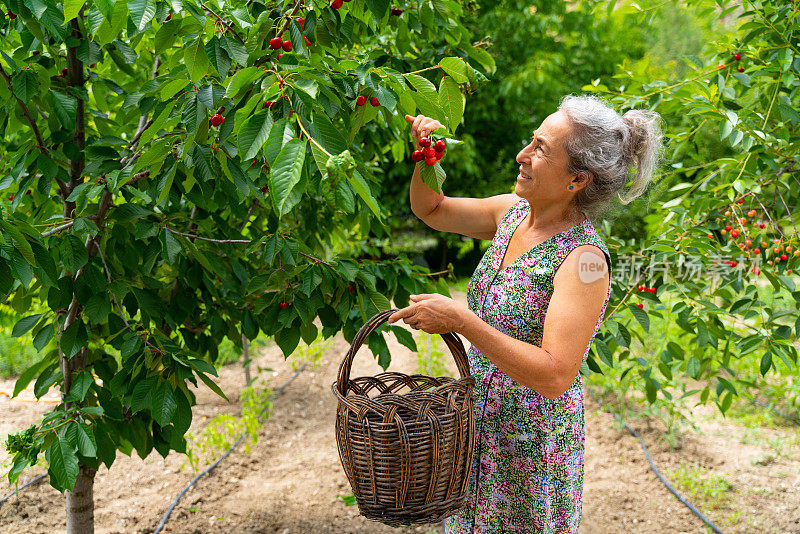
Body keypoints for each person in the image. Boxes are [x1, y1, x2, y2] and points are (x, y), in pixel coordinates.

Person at [387, 94, 664, 533]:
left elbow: (555, 374)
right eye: (531, 141)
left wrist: (461, 320)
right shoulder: (512, 214)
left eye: (541, 149)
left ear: (577, 179)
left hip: (528, 451)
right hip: (475, 428)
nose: (523, 156)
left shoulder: (584, 260)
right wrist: (426, 158)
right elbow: (432, 209)